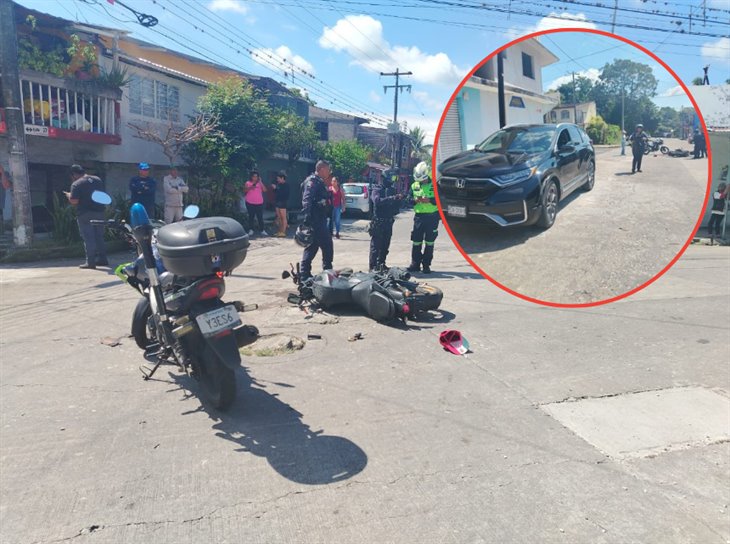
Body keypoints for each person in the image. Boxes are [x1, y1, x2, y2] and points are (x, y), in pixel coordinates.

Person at [64, 164, 107, 269]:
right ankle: (103, 259)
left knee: (88, 238)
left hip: (85, 213)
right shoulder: (97, 179)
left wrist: (69, 195)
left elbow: (74, 201)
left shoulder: (76, 184)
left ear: (74, 175)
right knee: (99, 236)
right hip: (99, 212)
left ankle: (90, 262)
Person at [300, 160, 334, 280]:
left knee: (313, 246)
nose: (329, 173)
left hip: (319, 218)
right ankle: (327, 271)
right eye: (328, 170)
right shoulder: (312, 181)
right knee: (327, 245)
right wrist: (307, 217)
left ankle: (304, 273)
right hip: (315, 220)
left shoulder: (319, 181)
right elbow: (307, 199)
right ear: (322, 169)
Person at [407, 162, 440, 274]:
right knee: (416, 241)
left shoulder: (435, 185)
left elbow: (442, 201)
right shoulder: (414, 185)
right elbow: (408, 200)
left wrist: (430, 200)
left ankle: (426, 265)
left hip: (432, 217)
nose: (420, 182)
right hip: (419, 217)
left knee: (429, 241)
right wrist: (414, 200)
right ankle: (415, 264)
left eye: (422, 180)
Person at [369, 170, 402, 272]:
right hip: (378, 222)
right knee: (376, 246)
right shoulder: (377, 189)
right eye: (391, 178)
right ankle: (373, 267)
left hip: (388, 221)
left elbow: (396, 207)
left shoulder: (392, 190)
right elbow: (377, 201)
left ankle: (382, 264)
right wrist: (392, 198)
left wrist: (399, 199)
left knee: (385, 245)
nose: (393, 181)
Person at [244, 170, 268, 236]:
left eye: (256, 177)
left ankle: (262, 230)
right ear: (251, 177)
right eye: (254, 176)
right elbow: (245, 190)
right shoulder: (248, 183)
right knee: (251, 217)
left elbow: (265, 190)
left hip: (259, 203)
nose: (255, 178)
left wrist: (260, 182)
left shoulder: (260, 183)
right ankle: (251, 229)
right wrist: (251, 187)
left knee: (260, 217)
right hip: (250, 202)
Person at [272, 171, 289, 237]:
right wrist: (275, 189)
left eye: (278, 178)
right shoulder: (278, 184)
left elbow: (285, 194)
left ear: (282, 178)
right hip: (277, 202)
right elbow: (276, 192)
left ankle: (283, 232)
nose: (277, 180)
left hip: (283, 202)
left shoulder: (286, 185)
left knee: (283, 217)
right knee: (279, 217)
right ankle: (280, 231)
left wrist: (276, 188)